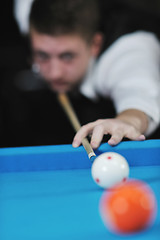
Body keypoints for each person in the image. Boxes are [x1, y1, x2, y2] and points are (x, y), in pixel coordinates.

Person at [26, 0, 160, 149]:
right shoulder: (26, 11)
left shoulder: (128, 52)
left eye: (67, 56)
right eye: (42, 55)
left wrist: (126, 122)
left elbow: (139, 99)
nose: (55, 74)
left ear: (95, 45)